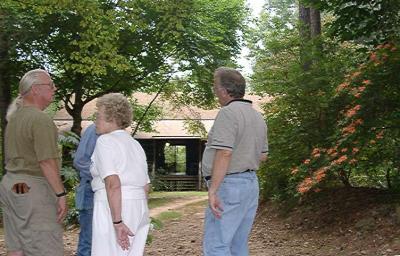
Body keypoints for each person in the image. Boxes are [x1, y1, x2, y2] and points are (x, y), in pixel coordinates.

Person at [0, 69, 68, 256]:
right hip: (32, 191)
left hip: (11, 187)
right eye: (51, 85)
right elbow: (46, 161)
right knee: (46, 249)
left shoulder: (14, 119)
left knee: (18, 249)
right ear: (36, 89)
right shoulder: (40, 119)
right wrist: (60, 194)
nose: (54, 89)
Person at [202, 67, 268, 256]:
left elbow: (224, 153)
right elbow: (263, 156)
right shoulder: (257, 116)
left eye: (215, 87)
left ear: (223, 90)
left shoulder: (228, 113)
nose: (215, 92)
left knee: (217, 245)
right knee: (237, 244)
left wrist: (213, 190)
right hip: (250, 185)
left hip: (229, 186)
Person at [90, 93, 150, 256]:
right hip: (138, 206)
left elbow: (113, 183)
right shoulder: (135, 144)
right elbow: (145, 185)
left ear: (112, 117)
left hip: (112, 207)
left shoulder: (105, 141)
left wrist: (117, 221)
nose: (95, 120)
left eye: (98, 115)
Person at [73, 123, 98, 256]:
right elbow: (80, 161)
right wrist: (104, 177)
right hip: (90, 190)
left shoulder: (118, 132)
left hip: (106, 192)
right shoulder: (94, 130)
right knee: (88, 241)